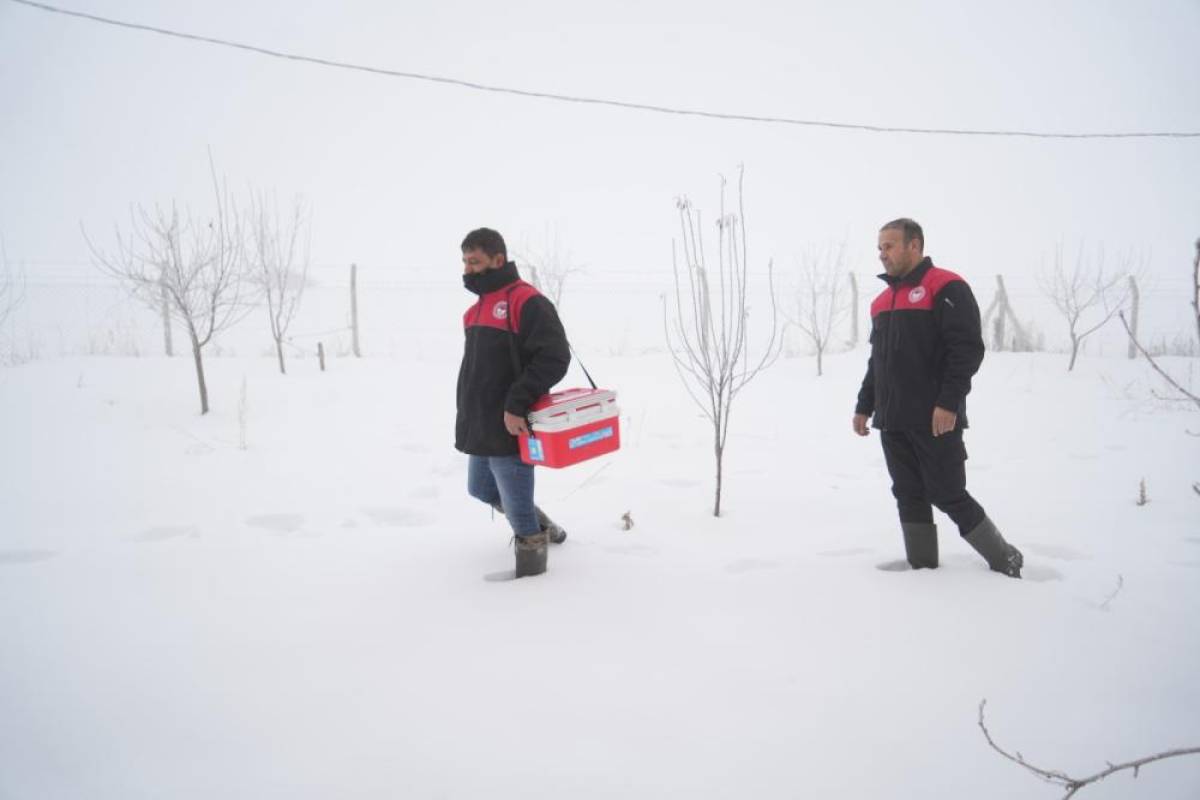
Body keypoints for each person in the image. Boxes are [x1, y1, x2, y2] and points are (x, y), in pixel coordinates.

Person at [853, 218, 1023, 578]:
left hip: (934, 418)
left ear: (914, 245)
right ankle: (923, 569)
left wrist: (948, 403)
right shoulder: (881, 302)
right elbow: (877, 362)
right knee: (908, 493)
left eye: (889, 246)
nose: (882, 254)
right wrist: (864, 406)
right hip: (892, 420)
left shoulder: (946, 286)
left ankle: (1005, 558)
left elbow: (966, 350)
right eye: (880, 247)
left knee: (947, 493)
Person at [456, 228, 571, 578]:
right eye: (464, 262)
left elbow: (554, 357)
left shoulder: (526, 301)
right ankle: (546, 528)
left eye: (475, 262)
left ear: (498, 260)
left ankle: (532, 575)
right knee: (480, 488)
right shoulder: (475, 310)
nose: (468, 269)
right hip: (481, 421)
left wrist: (516, 404)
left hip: (511, 422)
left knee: (516, 505)